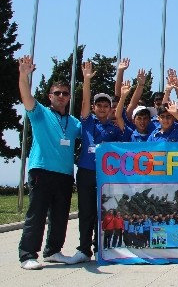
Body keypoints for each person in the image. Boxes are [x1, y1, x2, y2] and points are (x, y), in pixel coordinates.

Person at [17, 56, 81, 269]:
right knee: (36, 214)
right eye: (57, 93)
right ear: (49, 96)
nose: (61, 96)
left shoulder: (73, 122)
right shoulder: (40, 113)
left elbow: (91, 132)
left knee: (60, 216)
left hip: (64, 174)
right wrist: (24, 75)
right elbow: (26, 96)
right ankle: (27, 255)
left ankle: (53, 251)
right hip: (41, 171)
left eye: (65, 93)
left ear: (69, 96)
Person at [70, 61, 124, 265]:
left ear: (110, 108)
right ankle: (84, 250)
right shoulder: (87, 121)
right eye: (99, 105)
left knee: (104, 213)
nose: (102, 108)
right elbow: (84, 102)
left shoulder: (114, 128)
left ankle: (100, 248)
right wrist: (86, 80)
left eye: (106, 105)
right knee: (86, 212)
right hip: (85, 172)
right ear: (94, 108)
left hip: (106, 176)